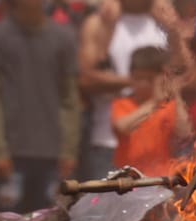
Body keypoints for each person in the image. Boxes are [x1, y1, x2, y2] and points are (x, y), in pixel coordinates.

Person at [0, 0, 79, 212]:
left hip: (53, 151)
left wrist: (69, 149)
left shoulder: (64, 37)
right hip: (12, 151)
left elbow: (69, 99)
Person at [77, 0, 188, 180]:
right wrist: (142, 83)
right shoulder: (101, 22)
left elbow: (185, 73)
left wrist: (174, 31)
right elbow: (85, 77)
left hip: (159, 148)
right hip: (109, 142)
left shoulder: (163, 20)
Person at [110, 44, 190, 175]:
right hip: (128, 178)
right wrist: (154, 102)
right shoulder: (122, 104)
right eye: (138, 78)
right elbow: (123, 127)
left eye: (149, 79)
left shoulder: (168, 105)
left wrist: (176, 95)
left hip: (160, 177)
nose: (142, 83)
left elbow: (185, 133)